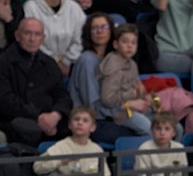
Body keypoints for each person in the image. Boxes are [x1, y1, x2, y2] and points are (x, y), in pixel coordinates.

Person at [0, 18, 73, 147]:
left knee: (77, 127)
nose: (32, 39)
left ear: (43, 38)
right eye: (27, 33)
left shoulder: (50, 64)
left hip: (49, 120)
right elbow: (3, 100)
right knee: (28, 130)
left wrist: (55, 115)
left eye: (37, 34)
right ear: (17, 35)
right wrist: (38, 117)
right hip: (14, 119)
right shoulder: (2, 62)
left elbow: (63, 96)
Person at [69, 12, 135, 145]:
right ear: (89, 33)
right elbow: (93, 107)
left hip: (114, 114)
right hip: (94, 121)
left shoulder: (112, 58)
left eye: (104, 27)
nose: (99, 31)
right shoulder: (87, 60)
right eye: (95, 28)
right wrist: (126, 106)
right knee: (141, 134)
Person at [23, 0, 87, 76]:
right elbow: (31, 40)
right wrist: (53, 64)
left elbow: (82, 37)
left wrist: (66, 62)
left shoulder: (73, 7)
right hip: (39, 65)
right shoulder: (30, 7)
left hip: (71, 64)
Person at [97, 23, 152, 135]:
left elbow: (136, 89)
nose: (130, 46)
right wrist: (133, 92)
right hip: (120, 113)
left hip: (134, 109)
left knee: (173, 126)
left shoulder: (132, 64)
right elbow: (108, 99)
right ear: (116, 44)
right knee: (152, 130)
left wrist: (141, 92)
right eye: (125, 42)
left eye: (133, 43)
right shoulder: (112, 66)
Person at [32, 106, 112, 176]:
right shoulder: (61, 146)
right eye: (76, 119)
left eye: (85, 120)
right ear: (69, 125)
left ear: (92, 127)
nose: (80, 123)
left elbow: (106, 173)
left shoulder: (97, 149)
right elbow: (37, 167)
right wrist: (59, 161)